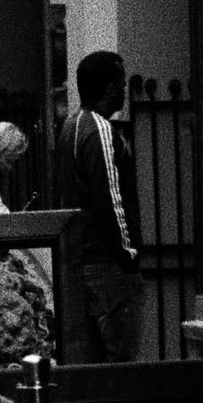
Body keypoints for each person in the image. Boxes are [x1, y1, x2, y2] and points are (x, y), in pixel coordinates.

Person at [57, 53, 143, 362]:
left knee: (93, 360)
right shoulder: (101, 130)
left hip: (82, 257)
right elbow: (110, 196)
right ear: (109, 87)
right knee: (122, 357)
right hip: (107, 262)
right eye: (120, 82)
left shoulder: (72, 125)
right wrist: (127, 252)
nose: (124, 89)